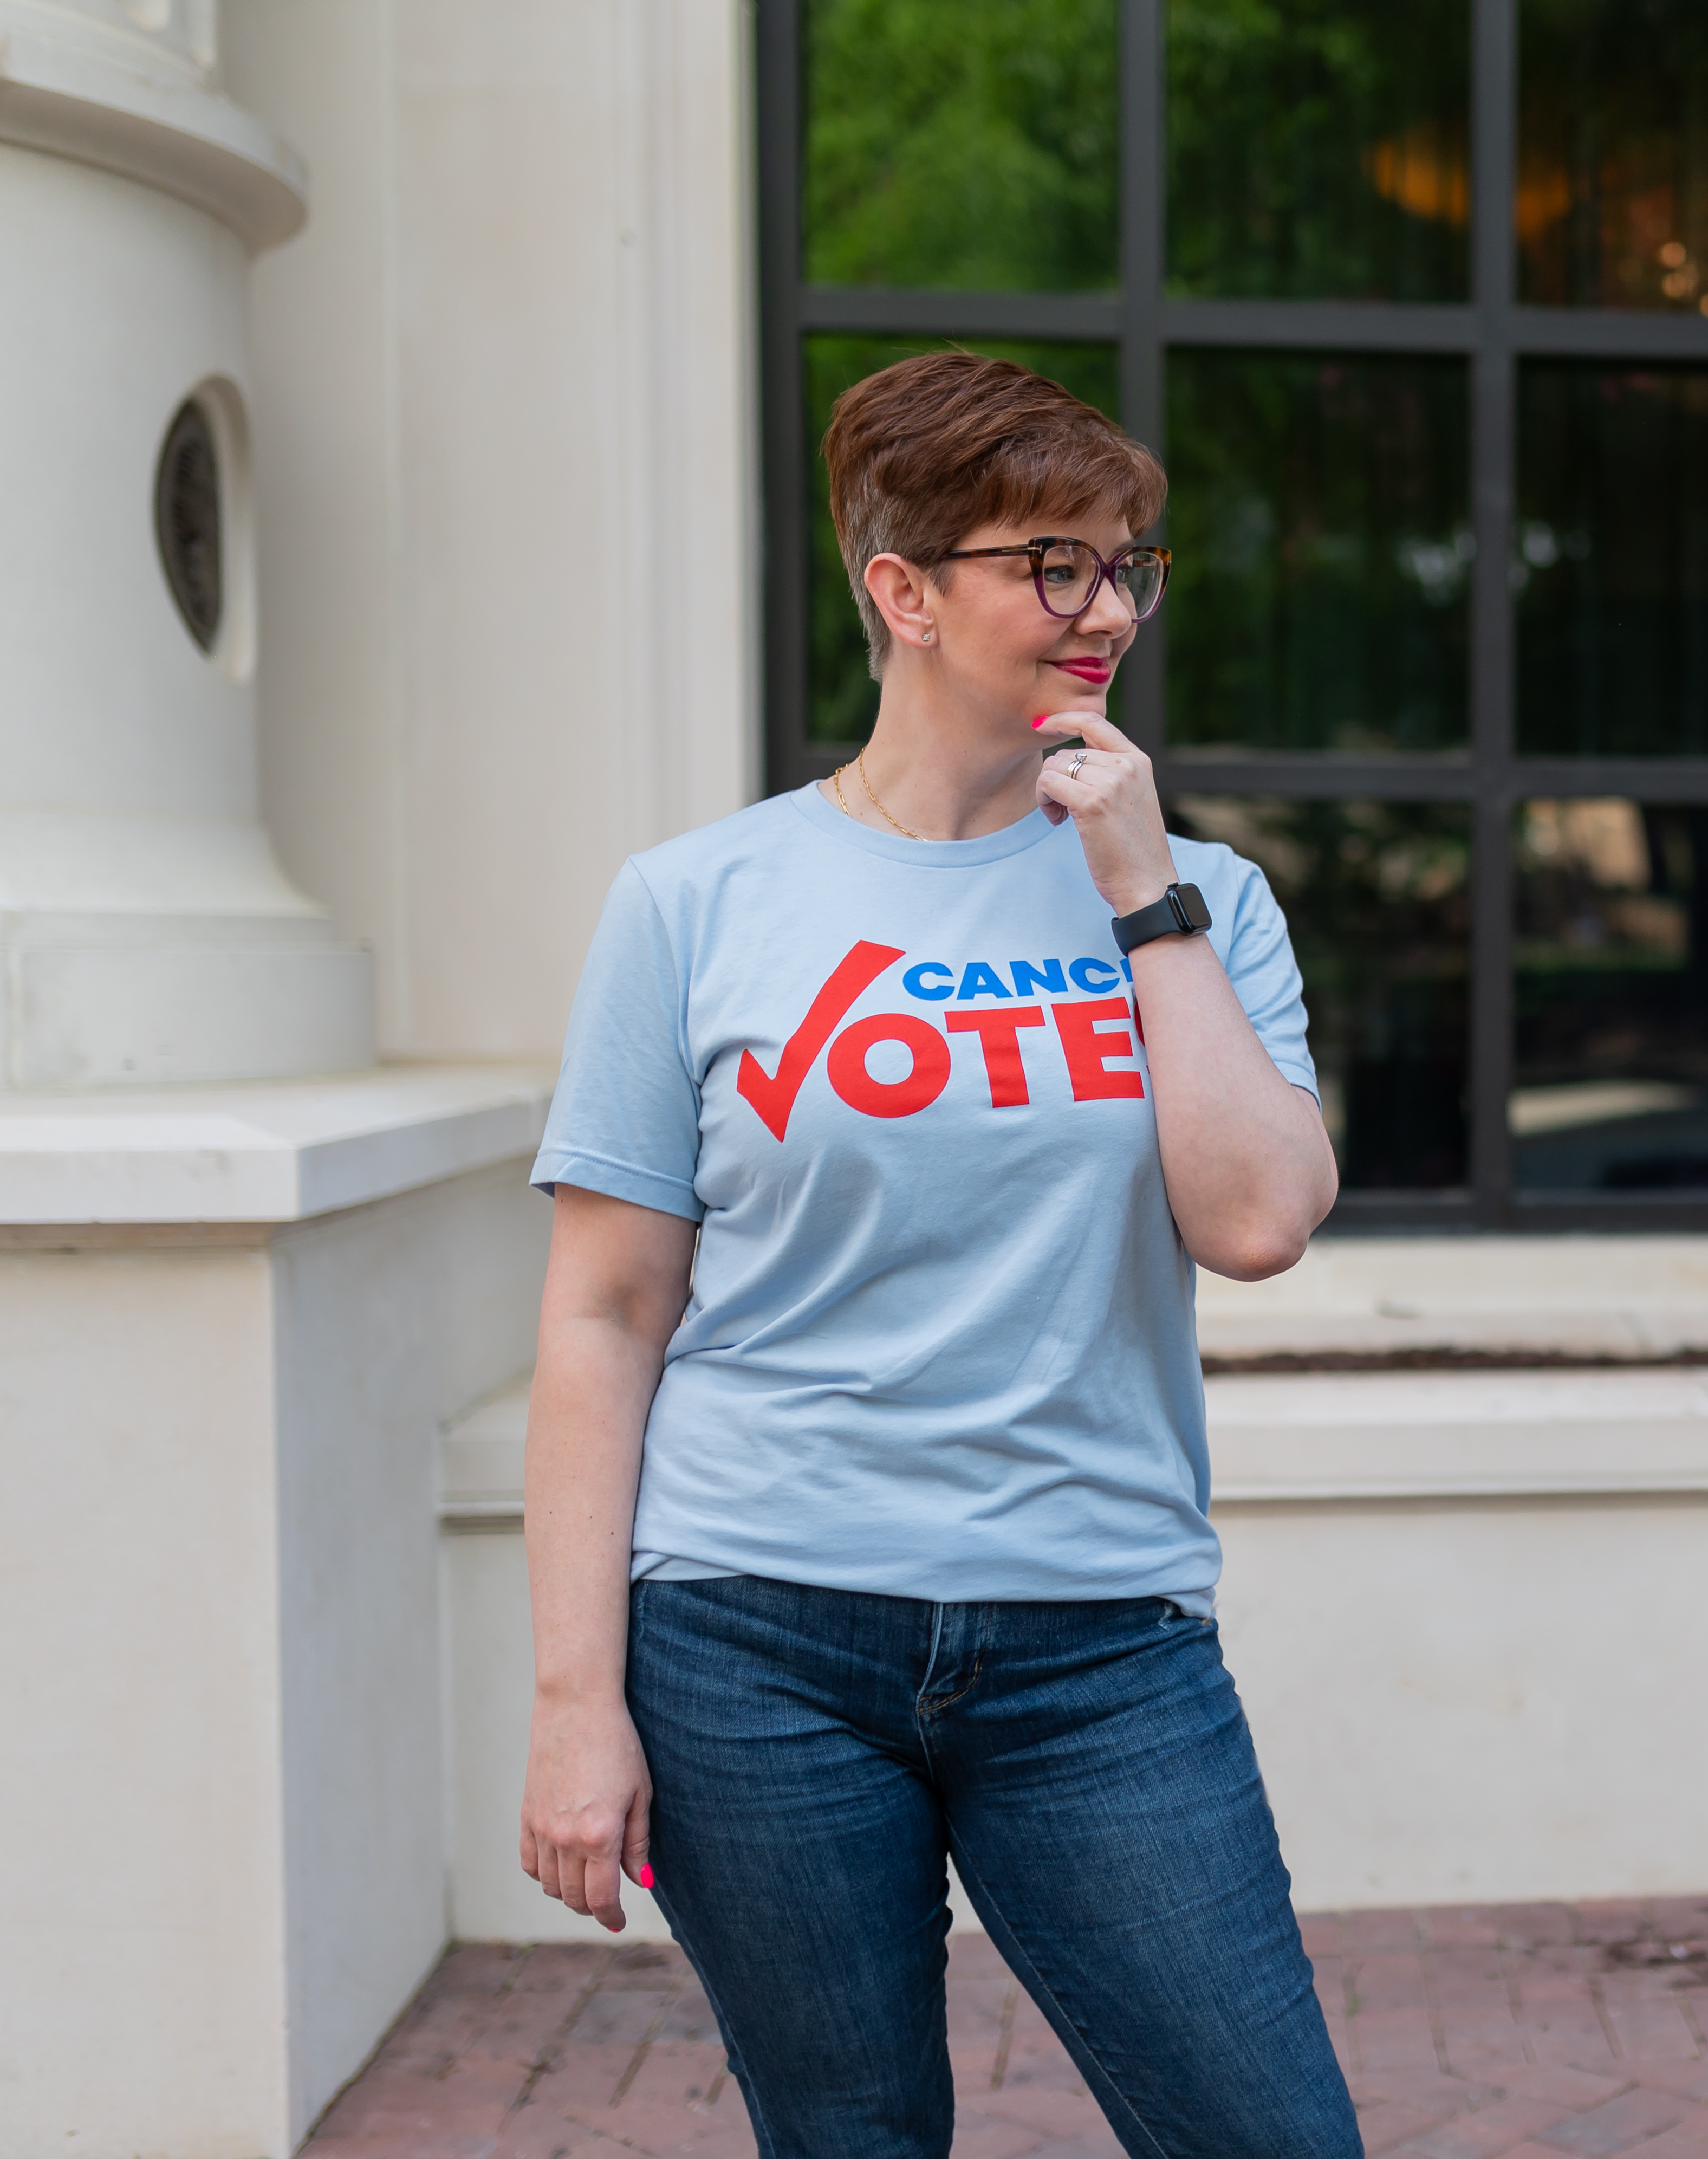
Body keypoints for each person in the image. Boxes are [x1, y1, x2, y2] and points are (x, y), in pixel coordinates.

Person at [516, 349, 1354, 2157]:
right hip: (754, 1637)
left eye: (1128, 561)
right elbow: (599, 1320)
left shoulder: (1204, 897)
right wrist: (579, 1702)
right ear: (902, 590)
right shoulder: (696, 902)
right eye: (1052, 561)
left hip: (1099, 1637)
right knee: (853, 2136)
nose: (1105, 605)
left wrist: (1143, 891)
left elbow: (1261, 1220)